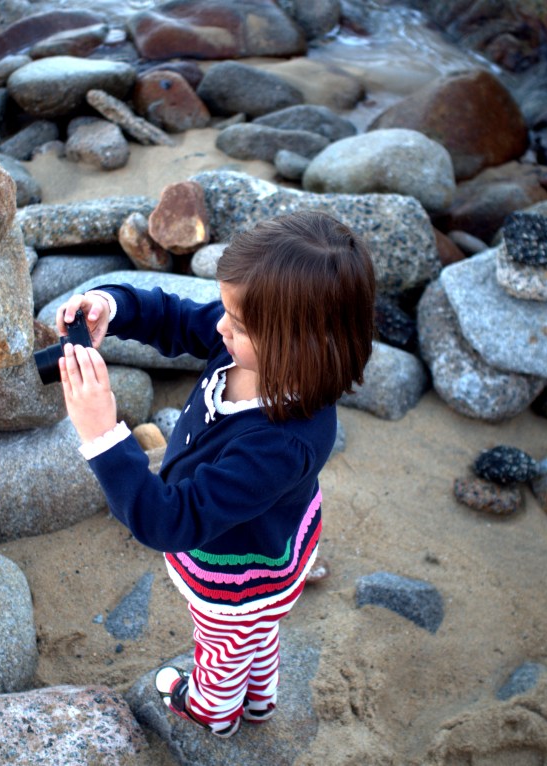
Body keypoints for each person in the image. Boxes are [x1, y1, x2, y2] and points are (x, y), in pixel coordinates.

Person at [56, 211, 376, 738]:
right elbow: (176, 317)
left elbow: (167, 521)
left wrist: (102, 434)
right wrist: (113, 304)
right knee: (258, 631)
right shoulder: (247, 350)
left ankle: (214, 710)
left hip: (239, 569)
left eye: (239, 323)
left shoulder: (283, 441)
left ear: (301, 342)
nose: (221, 325)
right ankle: (260, 698)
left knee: (224, 641)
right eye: (227, 310)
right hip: (275, 541)